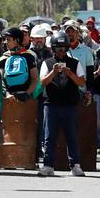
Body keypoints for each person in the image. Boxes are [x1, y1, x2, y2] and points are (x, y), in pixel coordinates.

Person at [37, 32, 85, 177]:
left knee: (72, 136)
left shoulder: (75, 63)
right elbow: (42, 83)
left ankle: (75, 165)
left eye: (64, 48)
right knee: (49, 137)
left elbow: (82, 82)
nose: (61, 51)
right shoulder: (47, 63)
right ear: (53, 48)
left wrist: (70, 74)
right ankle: (48, 165)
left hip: (70, 105)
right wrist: (53, 72)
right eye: (58, 48)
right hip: (51, 105)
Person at [0, 28, 38, 101]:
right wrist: (7, 94)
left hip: (26, 100)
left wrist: (26, 94)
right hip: (8, 99)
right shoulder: (3, 58)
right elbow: (0, 80)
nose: (5, 42)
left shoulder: (29, 57)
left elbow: (35, 79)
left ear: (17, 40)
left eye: (8, 40)